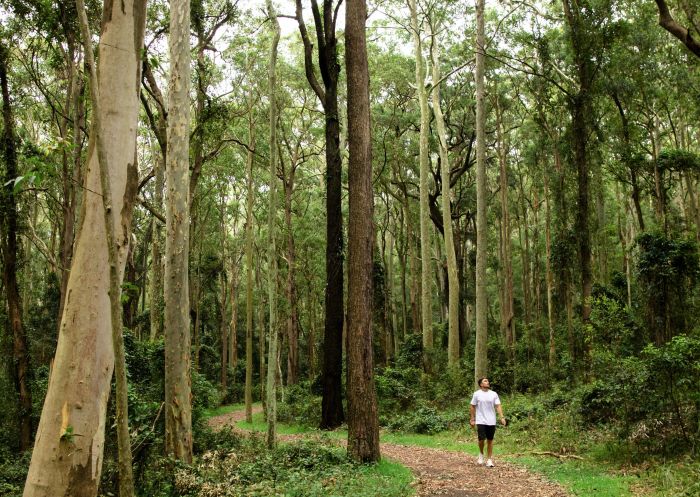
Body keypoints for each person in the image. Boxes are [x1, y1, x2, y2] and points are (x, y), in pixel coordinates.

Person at [469, 377, 506, 467]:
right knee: (481, 439)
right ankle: (481, 455)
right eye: (485, 381)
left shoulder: (493, 394)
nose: (488, 382)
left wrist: (502, 417)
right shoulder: (477, 394)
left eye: (488, 381)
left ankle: (489, 459)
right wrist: (472, 419)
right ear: (481, 384)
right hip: (480, 420)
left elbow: (498, 406)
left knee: (490, 440)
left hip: (491, 420)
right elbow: (472, 406)